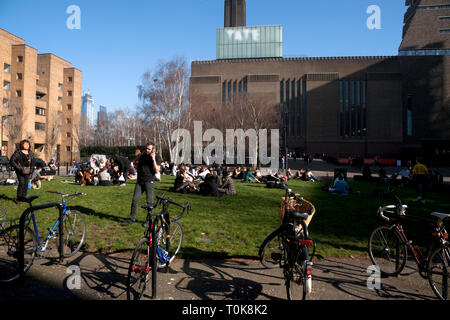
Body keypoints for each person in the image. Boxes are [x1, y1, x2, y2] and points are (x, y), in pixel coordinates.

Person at [121, 143, 161, 226]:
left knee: (149, 202)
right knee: (135, 199)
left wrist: (153, 159)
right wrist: (139, 156)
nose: (147, 150)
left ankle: (149, 220)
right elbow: (134, 163)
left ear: (153, 150)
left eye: (149, 149)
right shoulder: (143, 155)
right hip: (140, 181)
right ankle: (132, 219)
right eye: (146, 148)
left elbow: (157, 170)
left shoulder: (156, 157)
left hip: (149, 181)